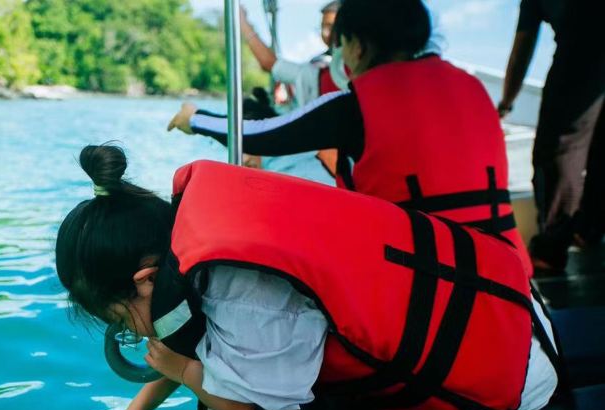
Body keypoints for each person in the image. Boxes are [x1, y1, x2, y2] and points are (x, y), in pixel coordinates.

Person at [57, 144, 560, 410]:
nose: (132, 333)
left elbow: (240, 402)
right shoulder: (192, 238)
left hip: (511, 379)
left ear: (146, 280)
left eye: (123, 322)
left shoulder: (243, 299)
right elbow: (188, 336)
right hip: (512, 304)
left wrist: (182, 372)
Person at [168, 0, 533, 274]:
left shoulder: (357, 104)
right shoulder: (472, 87)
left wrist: (194, 118)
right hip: (508, 271)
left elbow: (260, 136)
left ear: (356, 46)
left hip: (427, 281)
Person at [499, 0, 604, 273]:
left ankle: (551, 247)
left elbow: (523, 47)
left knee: (557, 146)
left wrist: (507, 102)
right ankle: (589, 228)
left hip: (583, 44)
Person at [241, 2, 344, 111]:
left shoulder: (339, 70)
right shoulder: (318, 61)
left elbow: (269, 63)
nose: (328, 33)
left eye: (332, 27)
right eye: (324, 27)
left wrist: (242, 23)